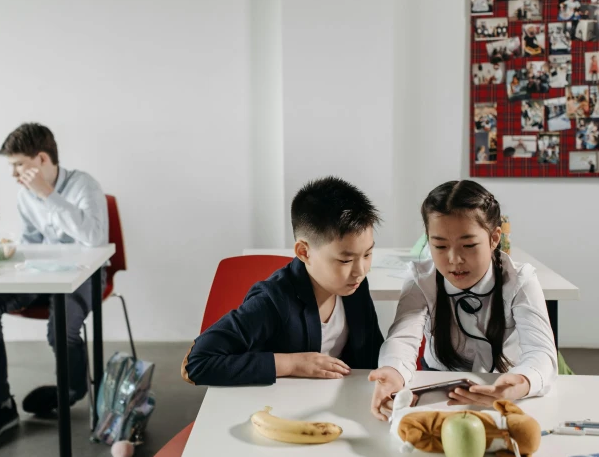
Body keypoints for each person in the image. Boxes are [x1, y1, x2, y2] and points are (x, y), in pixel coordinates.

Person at [0, 123, 108, 449]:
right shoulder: (24, 196)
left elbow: (96, 240)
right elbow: (32, 243)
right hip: (43, 273)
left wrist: (48, 194)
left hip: (87, 274)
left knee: (60, 326)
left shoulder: (85, 185)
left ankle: (71, 390)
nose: (14, 174)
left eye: (18, 164)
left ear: (41, 159)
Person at [368, 180, 557, 421]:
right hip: (438, 386)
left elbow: (541, 352)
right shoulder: (421, 279)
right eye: (440, 245)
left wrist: (520, 382)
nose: (454, 259)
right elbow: (403, 339)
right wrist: (393, 372)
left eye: (468, 245)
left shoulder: (519, 280)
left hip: (501, 386)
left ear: (494, 238)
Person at [181, 177, 385, 386]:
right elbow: (197, 363)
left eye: (368, 254)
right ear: (304, 252)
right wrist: (290, 363)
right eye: (345, 260)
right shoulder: (273, 301)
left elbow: (373, 353)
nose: (360, 270)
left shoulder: (354, 286)